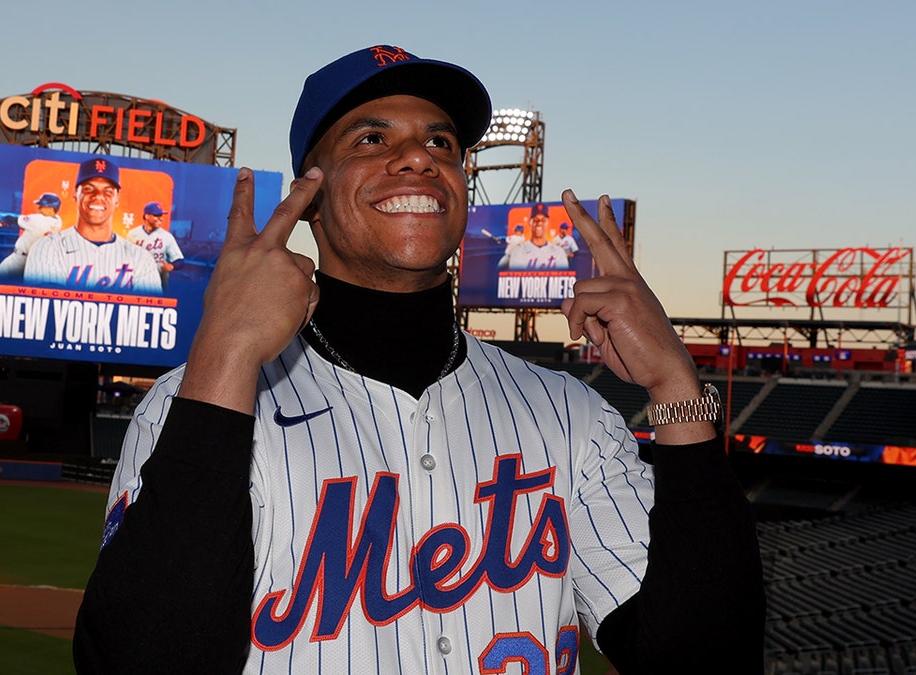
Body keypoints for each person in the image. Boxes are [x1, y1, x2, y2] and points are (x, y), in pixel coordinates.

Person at [74, 44, 764, 673]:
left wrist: (676, 382)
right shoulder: (193, 403)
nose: (418, 157)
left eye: (441, 141)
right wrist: (224, 353)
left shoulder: (571, 415)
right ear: (308, 194)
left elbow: (706, 658)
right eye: (372, 137)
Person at [23, 157, 162, 294]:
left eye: (108, 191)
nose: (98, 196)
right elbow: (50, 311)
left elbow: (148, 313)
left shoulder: (141, 258)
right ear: (75, 195)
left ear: (117, 200)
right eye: (89, 189)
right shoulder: (47, 248)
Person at [0, 192, 64, 279]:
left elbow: (13, 219)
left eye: (42, 206)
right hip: (34, 264)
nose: (39, 208)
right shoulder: (58, 221)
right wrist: (6, 222)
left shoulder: (38, 220)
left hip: (19, 260)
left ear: (51, 210)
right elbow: (31, 228)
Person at [126, 201, 184, 291]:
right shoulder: (133, 234)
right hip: (136, 282)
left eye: (161, 215)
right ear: (146, 216)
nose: (160, 218)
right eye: (156, 215)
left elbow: (180, 260)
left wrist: (172, 266)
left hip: (158, 283)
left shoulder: (166, 236)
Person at [497, 202, 570, 270]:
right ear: (530, 222)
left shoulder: (559, 253)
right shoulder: (518, 252)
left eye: (543, 220)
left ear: (548, 223)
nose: (539, 223)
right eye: (535, 220)